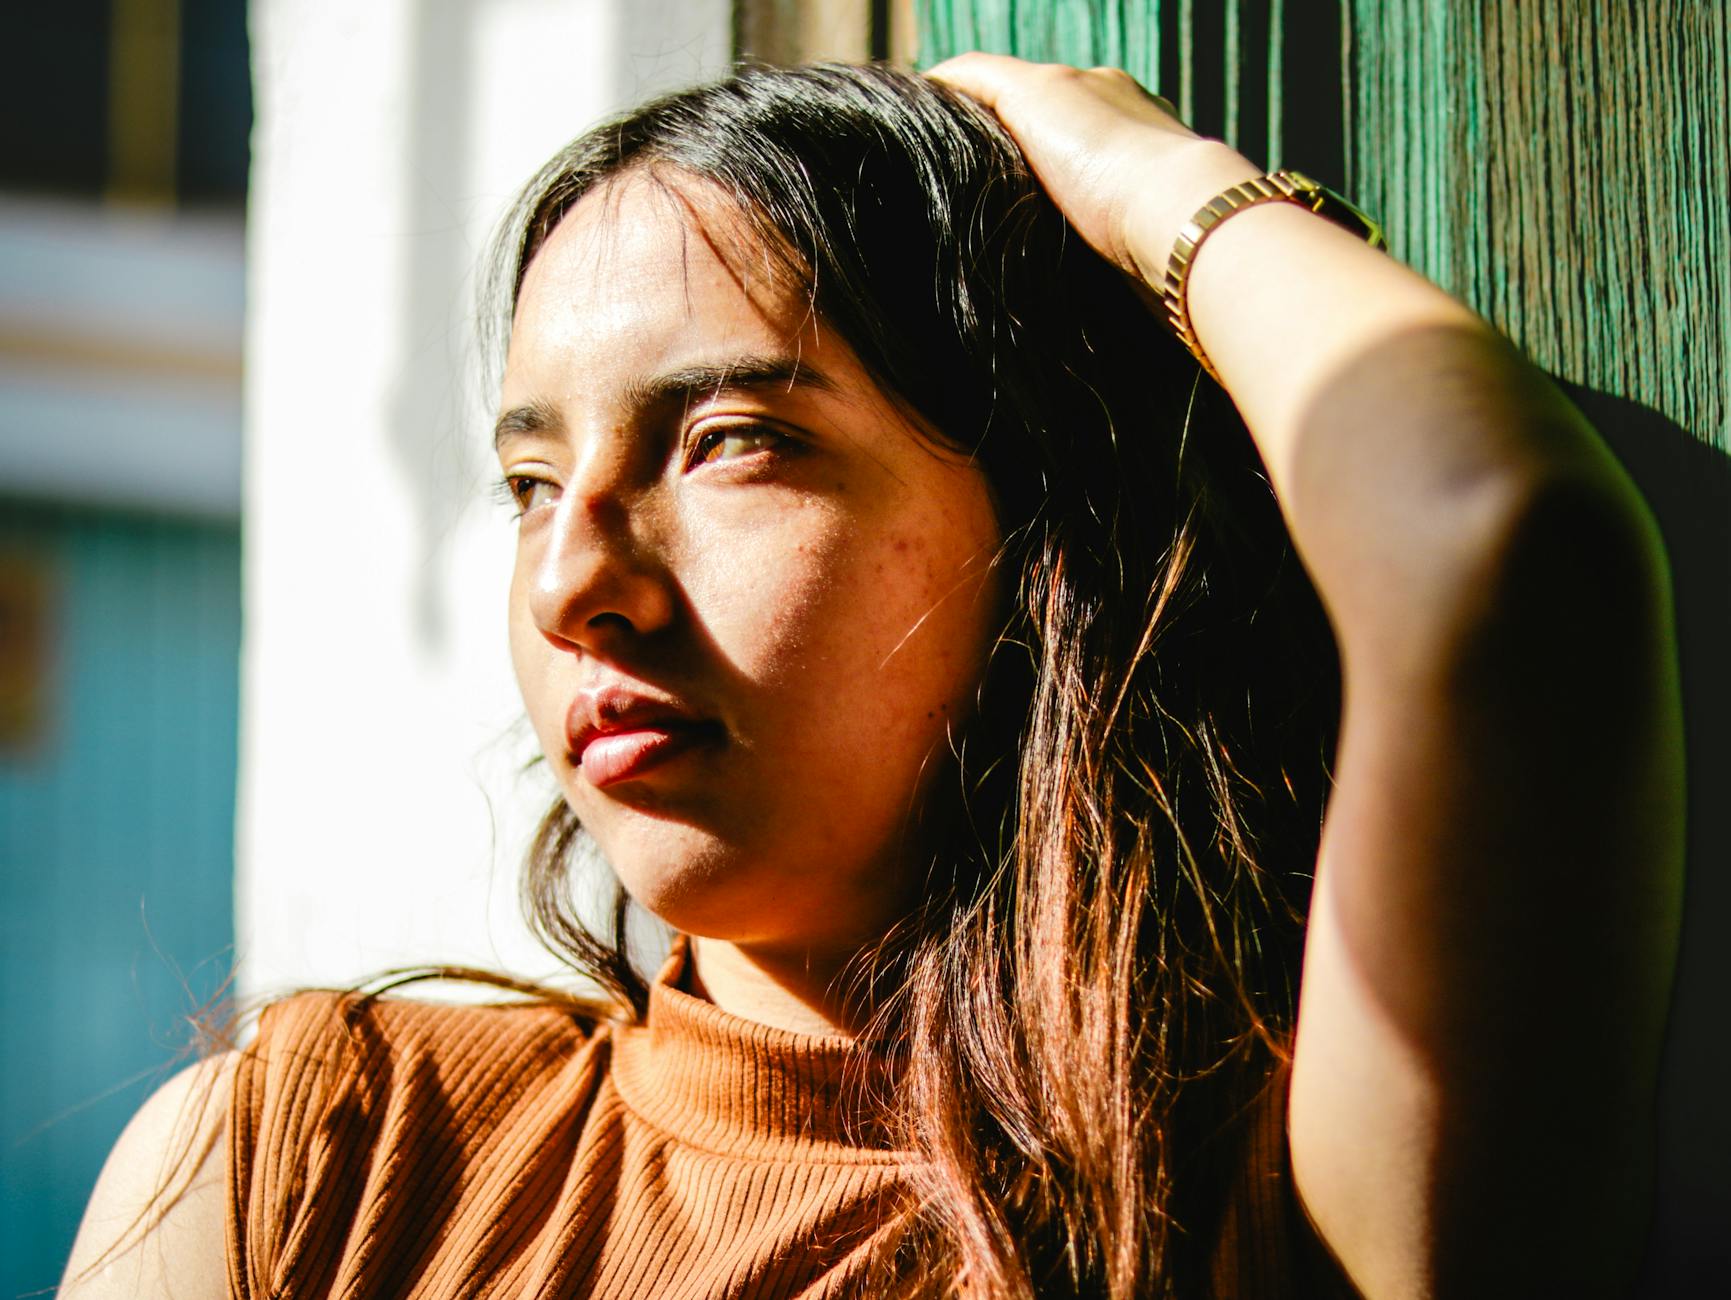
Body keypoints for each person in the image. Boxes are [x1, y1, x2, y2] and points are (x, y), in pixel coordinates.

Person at [61, 54, 1682, 1299]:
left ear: (1040, 522)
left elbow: (1498, 552)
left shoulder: (1262, 1202)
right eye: (532, 481)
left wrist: (1146, 183)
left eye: (731, 442)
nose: (571, 584)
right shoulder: (319, 1170)